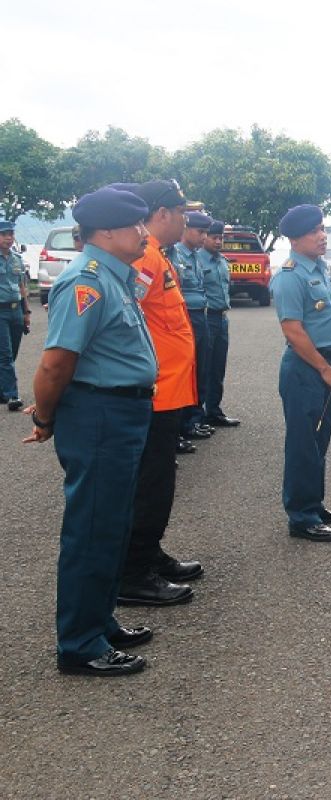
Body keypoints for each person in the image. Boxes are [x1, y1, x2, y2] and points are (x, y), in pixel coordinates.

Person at [24, 187, 159, 676]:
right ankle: (79, 644)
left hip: (122, 414)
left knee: (113, 524)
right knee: (92, 529)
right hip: (101, 414)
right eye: (136, 226)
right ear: (105, 232)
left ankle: (99, 621)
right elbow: (56, 363)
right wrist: (44, 417)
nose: (144, 233)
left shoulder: (116, 277)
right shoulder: (85, 281)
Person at [118, 179, 203, 606]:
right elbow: (126, 319)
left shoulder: (155, 254)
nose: (188, 218)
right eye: (182, 211)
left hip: (166, 390)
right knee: (150, 484)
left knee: (159, 480)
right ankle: (133, 573)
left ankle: (148, 554)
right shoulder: (145, 257)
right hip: (153, 392)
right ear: (164, 214)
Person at [270, 204, 331, 541]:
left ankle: (313, 502)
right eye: (314, 231)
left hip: (323, 362)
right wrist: (324, 369)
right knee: (303, 443)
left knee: (319, 440)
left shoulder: (319, 269)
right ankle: (301, 517)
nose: (322, 236)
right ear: (294, 239)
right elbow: (292, 330)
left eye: (322, 229)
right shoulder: (290, 276)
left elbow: (322, 317)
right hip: (306, 368)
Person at [173, 211, 215, 440]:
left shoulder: (196, 256)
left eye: (206, 232)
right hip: (186, 316)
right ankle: (183, 424)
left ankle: (194, 419)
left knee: (202, 369)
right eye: (200, 232)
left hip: (201, 315)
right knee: (187, 370)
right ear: (187, 229)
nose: (204, 237)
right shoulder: (176, 255)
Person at [199, 219, 240, 427]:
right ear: (204, 237)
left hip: (222, 318)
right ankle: (197, 416)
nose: (218, 241)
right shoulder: (197, 260)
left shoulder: (222, 261)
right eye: (214, 237)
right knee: (203, 368)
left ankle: (214, 411)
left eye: (220, 238)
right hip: (206, 317)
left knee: (218, 368)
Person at [0, 219, 31, 411]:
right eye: (4, 234)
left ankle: (3, 389)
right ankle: (13, 395)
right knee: (5, 354)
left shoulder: (17, 258)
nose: (9, 238)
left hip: (16, 310)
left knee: (12, 353)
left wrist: (26, 312)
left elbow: (22, 287)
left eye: (11, 234)